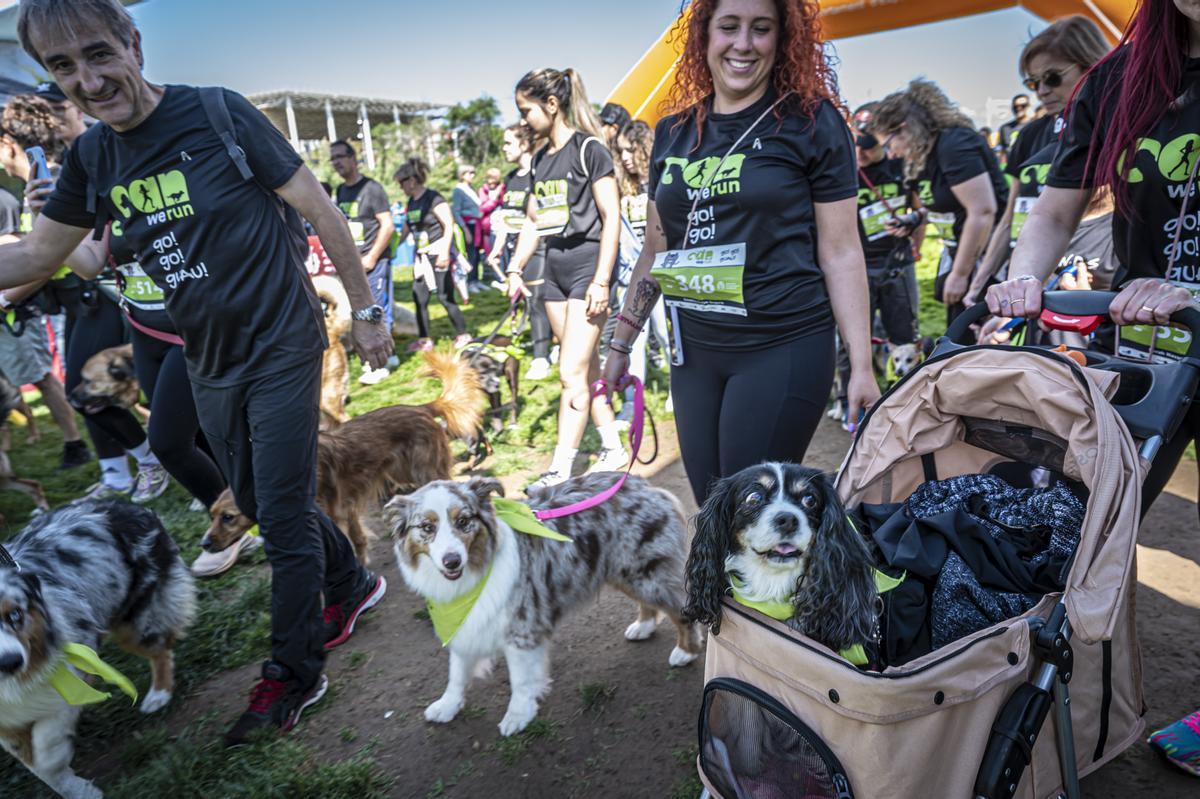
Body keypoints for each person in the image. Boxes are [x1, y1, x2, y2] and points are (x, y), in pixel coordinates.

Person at [11, 0, 391, 745]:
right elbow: (38, 258)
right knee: (247, 494)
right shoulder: (93, 159)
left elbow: (322, 210)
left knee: (280, 518)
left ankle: (294, 671)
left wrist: (368, 308)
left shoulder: (217, 114)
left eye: (98, 54)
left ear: (133, 43)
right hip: (206, 355)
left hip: (283, 340)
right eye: (63, 67)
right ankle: (351, 582)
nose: (87, 80)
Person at [984, 0, 1200, 776]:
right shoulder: (1122, 77)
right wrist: (1020, 282)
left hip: (1177, 310)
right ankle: (1046, 694)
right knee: (1092, 514)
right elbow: (1058, 207)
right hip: (1149, 344)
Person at [603, 0, 879, 504]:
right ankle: (722, 589)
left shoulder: (811, 124)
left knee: (748, 507)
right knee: (712, 506)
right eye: (729, 27)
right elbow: (656, 249)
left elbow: (841, 251)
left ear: (783, 38)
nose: (744, 43)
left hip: (783, 342)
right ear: (704, 37)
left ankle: (782, 585)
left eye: (761, 29)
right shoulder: (673, 131)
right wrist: (621, 343)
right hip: (697, 352)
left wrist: (861, 363)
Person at [0, 92, 172, 494]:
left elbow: (53, 257)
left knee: (88, 391)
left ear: (7, 144)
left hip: (103, 296)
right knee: (94, 391)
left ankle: (154, 461)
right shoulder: (43, 179)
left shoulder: (61, 179)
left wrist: (8, 297)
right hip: (83, 299)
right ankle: (121, 470)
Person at [506, 67, 629, 487]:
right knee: (586, 368)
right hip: (553, 271)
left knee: (569, 373)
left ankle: (560, 469)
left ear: (552, 104)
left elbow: (611, 216)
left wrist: (601, 280)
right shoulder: (539, 159)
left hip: (586, 266)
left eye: (526, 110)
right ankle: (613, 446)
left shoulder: (590, 149)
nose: (523, 119)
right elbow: (532, 221)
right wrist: (514, 267)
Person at [967, 15, 1111, 307]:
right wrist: (981, 281)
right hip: (1032, 269)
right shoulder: (1030, 134)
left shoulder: (1117, 127)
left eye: (1052, 77)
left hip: (1091, 277)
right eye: (1033, 82)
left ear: (1092, 65)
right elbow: (1009, 219)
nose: (1042, 90)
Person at [872, 79, 1008, 325]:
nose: (890, 154)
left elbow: (983, 210)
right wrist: (915, 218)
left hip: (990, 260)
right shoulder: (924, 154)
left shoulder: (953, 144)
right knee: (960, 340)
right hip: (961, 253)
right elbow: (947, 203)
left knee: (986, 342)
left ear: (904, 129)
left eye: (888, 144)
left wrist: (960, 274)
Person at [834, 104, 920, 417]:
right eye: (857, 145)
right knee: (852, 341)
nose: (861, 153)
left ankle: (905, 403)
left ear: (881, 142)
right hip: (859, 268)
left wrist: (914, 248)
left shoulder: (902, 168)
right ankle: (848, 403)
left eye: (868, 147)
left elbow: (917, 211)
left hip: (898, 265)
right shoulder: (846, 171)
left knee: (903, 338)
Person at [613, 119, 670, 413]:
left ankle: (676, 389)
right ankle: (632, 404)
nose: (623, 158)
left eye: (629, 150)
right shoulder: (623, 191)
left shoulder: (663, 184)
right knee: (634, 340)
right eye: (620, 152)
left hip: (662, 276)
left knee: (664, 333)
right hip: (631, 279)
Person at [487, 123, 552, 379]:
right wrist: (498, 246)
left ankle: (541, 357)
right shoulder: (511, 178)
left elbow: (536, 218)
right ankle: (542, 343)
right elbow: (508, 216)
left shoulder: (539, 174)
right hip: (515, 248)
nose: (503, 148)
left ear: (524, 144)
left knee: (537, 300)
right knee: (524, 301)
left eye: (508, 143)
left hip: (538, 247)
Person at [331, 139, 396, 385]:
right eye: (332, 158)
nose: (336, 162)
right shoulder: (341, 191)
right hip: (355, 262)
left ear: (352, 158)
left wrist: (372, 256)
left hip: (374, 260)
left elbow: (387, 225)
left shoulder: (373, 188)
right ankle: (389, 355)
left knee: (374, 309)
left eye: (340, 156)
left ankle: (378, 364)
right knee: (362, 309)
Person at [395, 157, 471, 351]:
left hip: (438, 254)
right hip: (422, 258)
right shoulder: (411, 202)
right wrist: (392, 248)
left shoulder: (433, 198)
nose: (400, 187)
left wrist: (444, 253)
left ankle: (464, 335)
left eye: (401, 183)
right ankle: (424, 340)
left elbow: (449, 225)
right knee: (419, 297)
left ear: (412, 180)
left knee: (446, 297)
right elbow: (406, 229)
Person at [450, 163, 482, 286]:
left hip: (476, 224)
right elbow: (456, 211)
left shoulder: (472, 188)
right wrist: (465, 229)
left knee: (477, 253)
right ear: (462, 175)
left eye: (473, 173)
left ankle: (476, 280)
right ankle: (470, 281)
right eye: (470, 173)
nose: (472, 175)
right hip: (467, 225)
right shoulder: (459, 190)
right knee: (471, 253)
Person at [34, 80, 86, 147]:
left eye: (58, 109)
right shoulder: (52, 152)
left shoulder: (100, 147)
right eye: (42, 110)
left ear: (79, 111)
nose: (49, 118)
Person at [997, 93, 1032, 163]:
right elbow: (1003, 152)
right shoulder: (1005, 128)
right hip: (1011, 169)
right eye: (1015, 106)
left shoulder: (1036, 125)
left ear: (1028, 106)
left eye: (1022, 105)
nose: (1018, 108)